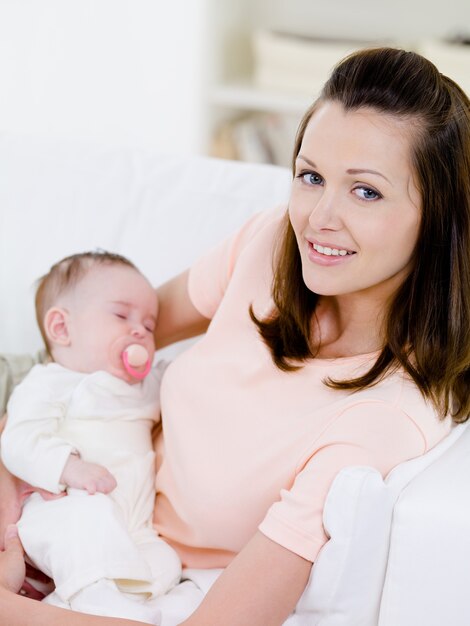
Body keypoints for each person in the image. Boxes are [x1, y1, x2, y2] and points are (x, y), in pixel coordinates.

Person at [1, 46, 470, 625]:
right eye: (311, 176)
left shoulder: (383, 417)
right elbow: (93, 349)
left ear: (439, 216)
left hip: (146, 582)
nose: (318, 217)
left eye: (365, 191)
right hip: (57, 500)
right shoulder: (272, 243)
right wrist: (10, 504)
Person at [0, 251, 181, 624]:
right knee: (89, 522)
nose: (140, 332)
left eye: (149, 325)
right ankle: (97, 600)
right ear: (62, 328)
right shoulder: (48, 382)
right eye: (121, 315)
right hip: (65, 510)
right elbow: (19, 440)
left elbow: (185, 376)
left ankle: (72, 605)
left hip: (134, 524)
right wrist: (69, 467)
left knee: (167, 564)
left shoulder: (145, 387)